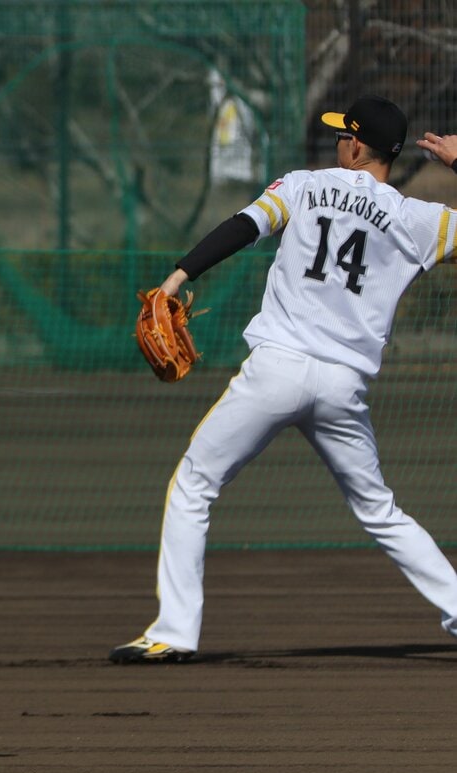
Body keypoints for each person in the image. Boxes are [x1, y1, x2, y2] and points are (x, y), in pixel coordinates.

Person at [110, 96, 457, 663]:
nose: (337, 143)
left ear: (355, 145)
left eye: (342, 135)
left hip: (277, 369)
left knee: (195, 485)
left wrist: (176, 279)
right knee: (379, 510)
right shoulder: (420, 220)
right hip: (344, 385)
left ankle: (174, 632)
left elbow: (241, 228)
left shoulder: (302, 185)